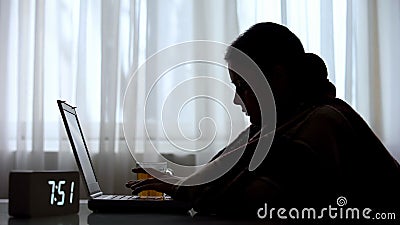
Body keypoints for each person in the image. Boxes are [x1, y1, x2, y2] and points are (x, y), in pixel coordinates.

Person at [126, 22, 400, 218]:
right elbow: (220, 178)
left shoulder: (319, 124)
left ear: (278, 77)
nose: (237, 100)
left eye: (242, 86)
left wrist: (185, 189)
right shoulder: (284, 122)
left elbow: (245, 203)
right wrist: (179, 186)